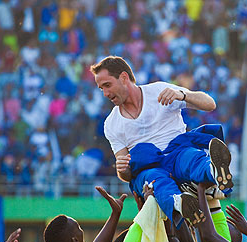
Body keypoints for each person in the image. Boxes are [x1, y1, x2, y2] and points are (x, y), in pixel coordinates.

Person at [90, 55, 233, 226]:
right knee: (154, 180)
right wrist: (122, 168)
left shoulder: (159, 90)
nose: (105, 93)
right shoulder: (111, 124)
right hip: (149, 166)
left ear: (123, 77)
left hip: (177, 152)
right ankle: (181, 203)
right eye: (101, 89)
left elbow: (209, 104)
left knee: (191, 158)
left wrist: (182, 95)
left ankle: (215, 172)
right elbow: (126, 174)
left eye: (107, 85)